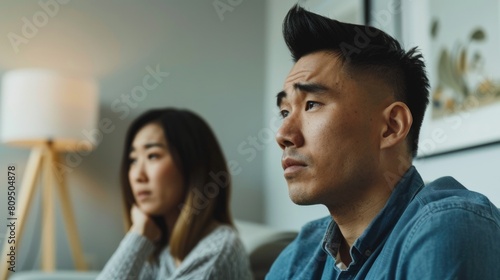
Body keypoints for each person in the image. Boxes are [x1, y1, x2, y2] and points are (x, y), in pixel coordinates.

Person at [266, 5, 500, 280]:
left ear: (391, 127)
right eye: (284, 112)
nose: (283, 135)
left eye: (312, 104)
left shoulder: (449, 226)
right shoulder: (301, 254)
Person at [97, 108, 252, 280]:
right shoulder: (160, 251)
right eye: (133, 159)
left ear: (193, 167)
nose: (137, 175)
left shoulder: (219, 250)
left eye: (153, 156)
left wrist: (138, 235)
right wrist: (140, 234)